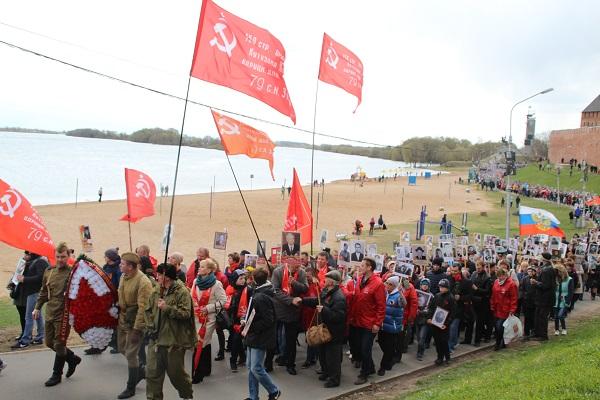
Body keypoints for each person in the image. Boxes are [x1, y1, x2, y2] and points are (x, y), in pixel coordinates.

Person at [144, 263, 196, 400]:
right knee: (152, 374)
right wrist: (150, 326)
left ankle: (187, 395)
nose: (157, 277)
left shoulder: (181, 292)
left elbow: (186, 314)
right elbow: (148, 310)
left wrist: (167, 308)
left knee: (176, 375)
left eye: (159, 275)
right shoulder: (156, 290)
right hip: (156, 339)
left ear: (166, 277)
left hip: (174, 341)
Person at [33, 242, 81, 387]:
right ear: (54, 256)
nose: (60, 259)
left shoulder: (73, 273)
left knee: (59, 344)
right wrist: (37, 308)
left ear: (68, 256)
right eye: (58, 256)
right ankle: (72, 358)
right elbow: (43, 292)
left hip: (64, 314)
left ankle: (56, 374)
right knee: (49, 343)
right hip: (50, 312)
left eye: (63, 256)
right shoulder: (49, 271)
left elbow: (80, 293)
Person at [295, 269, 347, 388]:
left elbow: (338, 316)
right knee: (322, 354)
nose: (324, 279)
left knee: (332, 357)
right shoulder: (325, 291)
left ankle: (334, 379)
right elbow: (316, 301)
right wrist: (303, 301)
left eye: (327, 278)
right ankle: (326, 372)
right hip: (324, 329)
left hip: (333, 332)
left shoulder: (339, 297)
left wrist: (324, 310)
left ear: (332, 282)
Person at [116, 252, 153, 399]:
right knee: (121, 348)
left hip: (135, 322)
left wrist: (137, 330)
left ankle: (130, 387)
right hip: (123, 320)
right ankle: (141, 372)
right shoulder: (123, 277)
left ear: (131, 267)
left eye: (123, 263)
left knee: (131, 354)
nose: (120, 265)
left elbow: (143, 308)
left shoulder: (143, 282)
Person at [243, 268, 282, 400]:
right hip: (254, 335)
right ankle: (253, 396)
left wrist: (251, 326)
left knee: (256, 367)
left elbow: (268, 320)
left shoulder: (261, 296)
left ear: (254, 279)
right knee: (250, 367)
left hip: (260, 336)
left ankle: (274, 390)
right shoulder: (260, 291)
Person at [349, 257, 386, 385]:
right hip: (358, 321)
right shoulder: (360, 279)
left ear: (370, 267)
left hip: (370, 323)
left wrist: (377, 323)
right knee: (359, 348)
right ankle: (370, 367)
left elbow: (381, 306)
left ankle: (364, 374)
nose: (360, 267)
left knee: (365, 349)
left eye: (363, 265)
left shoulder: (378, 283)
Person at [190, 258, 227, 384]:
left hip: (208, 319)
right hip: (195, 317)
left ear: (210, 270)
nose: (199, 268)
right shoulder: (196, 281)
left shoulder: (216, 284)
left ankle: (197, 374)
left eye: (202, 267)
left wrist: (208, 308)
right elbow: (192, 296)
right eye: (199, 266)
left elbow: (223, 301)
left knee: (200, 343)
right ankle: (206, 368)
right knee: (205, 343)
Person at [271, 261, 308, 375]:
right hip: (279, 309)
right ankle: (269, 362)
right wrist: (290, 300)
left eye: (298, 266)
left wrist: (295, 283)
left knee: (291, 340)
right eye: (294, 266)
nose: (297, 268)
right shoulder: (278, 271)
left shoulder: (301, 272)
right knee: (273, 336)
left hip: (293, 311)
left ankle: (290, 364)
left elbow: (305, 288)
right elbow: (275, 290)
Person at [85, 248, 122, 355]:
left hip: (113, 301)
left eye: (105, 256)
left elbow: (119, 285)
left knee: (111, 325)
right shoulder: (106, 267)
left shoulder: (118, 269)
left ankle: (116, 345)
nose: (104, 258)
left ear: (110, 257)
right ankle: (96, 346)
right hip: (103, 299)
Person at [11, 251, 47, 349]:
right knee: (37, 316)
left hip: (35, 292)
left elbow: (40, 278)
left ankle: (25, 340)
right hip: (33, 292)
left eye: (27, 253)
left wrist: (25, 279)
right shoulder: (35, 261)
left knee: (29, 317)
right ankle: (39, 337)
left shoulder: (40, 262)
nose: (26, 255)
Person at [377, 276, 405, 376]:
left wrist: (401, 293)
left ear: (394, 286)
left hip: (392, 326)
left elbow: (403, 304)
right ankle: (390, 356)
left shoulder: (397, 295)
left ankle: (383, 366)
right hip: (383, 324)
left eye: (389, 284)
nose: (386, 285)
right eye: (386, 283)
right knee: (381, 342)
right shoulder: (384, 293)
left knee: (388, 347)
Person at [426, 278, 455, 365]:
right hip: (435, 323)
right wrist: (429, 318)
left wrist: (446, 324)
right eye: (440, 287)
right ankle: (439, 357)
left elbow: (452, 313)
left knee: (444, 341)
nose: (441, 289)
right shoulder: (437, 296)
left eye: (443, 287)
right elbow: (431, 308)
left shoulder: (451, 298)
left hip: (444, 325)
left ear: (447, 288)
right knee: (437, 341)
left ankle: (448, 357)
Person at [490, 268, 518, 351]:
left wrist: (512, 310)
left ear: (505, 275)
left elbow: (514, 298)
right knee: (498, 327)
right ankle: (502, 342)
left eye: (501, 276)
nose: (499, 278)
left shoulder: (511, 284)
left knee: (500, 327)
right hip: (496, 308)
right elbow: (493, 295)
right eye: (498, 276)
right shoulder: (496, 282)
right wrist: (492, 305)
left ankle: (498, 343)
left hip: (505, 310)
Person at [531, 253, 556, 341]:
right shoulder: (547, 268)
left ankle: (543, 335)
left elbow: (546, 285)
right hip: (543, 298)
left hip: (545, 298)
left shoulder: (547, 270)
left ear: (544, 259)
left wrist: (535, 282)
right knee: (538, 315)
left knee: (542, 317)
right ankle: (537, 333)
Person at [471, 260, 492, 345]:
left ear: (483, 267)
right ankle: (485, 335)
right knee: (477, 321)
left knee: (480, 322)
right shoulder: (474, 274)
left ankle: (477, 340)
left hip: (483, 302)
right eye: (476, 267)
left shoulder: (487, 277)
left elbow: (487, 291)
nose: (477, 269)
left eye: (479, 267)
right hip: (474, 301)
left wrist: (477, 289)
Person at [553, 264, 574, 336]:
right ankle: (556, 329)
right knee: (555, 316)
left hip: (564, 301)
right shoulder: (555, 279)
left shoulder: (569, 279)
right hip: (555, 300)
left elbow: (571, 292)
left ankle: (564, 328)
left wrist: (567, 301)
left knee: (560, 315)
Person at [415, 278, 432, 361]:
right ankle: (421, 349)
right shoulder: (416, 293)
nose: (424, 286)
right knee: (418, 338)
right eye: (423, 284)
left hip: (425, 320)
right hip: (417, 319)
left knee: (422, 338)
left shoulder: (431, 296)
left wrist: (425, 312)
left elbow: (433, 309)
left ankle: (420, 353)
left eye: (426, 284)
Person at [520, 265, 537, 337]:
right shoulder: (524, 279)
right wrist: (524, 296)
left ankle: (533, 330)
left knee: (533, 317)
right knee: (527, 317)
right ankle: (526, 331)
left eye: (531, 271)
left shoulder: (537, 279)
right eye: (529, 271)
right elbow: (521, 289)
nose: (530, 272)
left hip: (534, 301)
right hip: (526, 301)